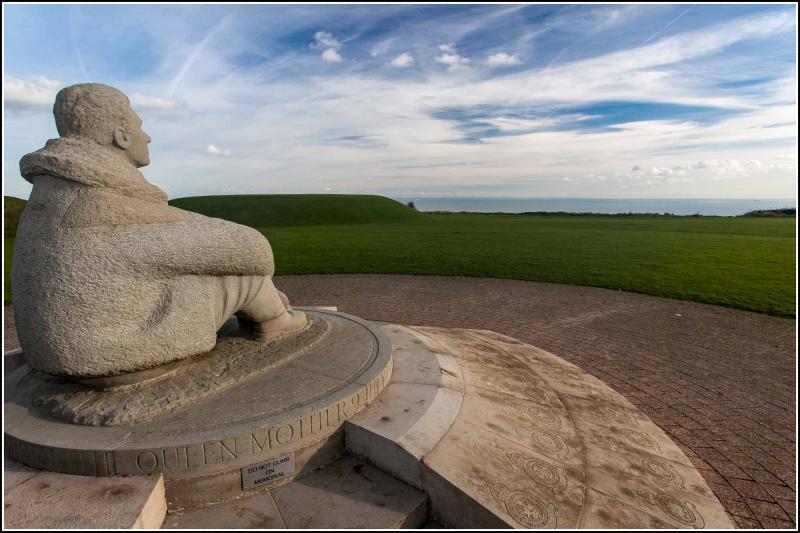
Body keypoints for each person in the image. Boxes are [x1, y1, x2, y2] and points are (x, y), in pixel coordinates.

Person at [12, 83, 307, 381]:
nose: (148, 136)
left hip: (56, 351)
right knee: (237, 271)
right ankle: (274, 321)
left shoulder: (56, 195)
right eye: (140, 126)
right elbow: (255, 251)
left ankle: (270, 313)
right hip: (113, 354)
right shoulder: (95, 201)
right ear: (122, 136)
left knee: (206, 261)